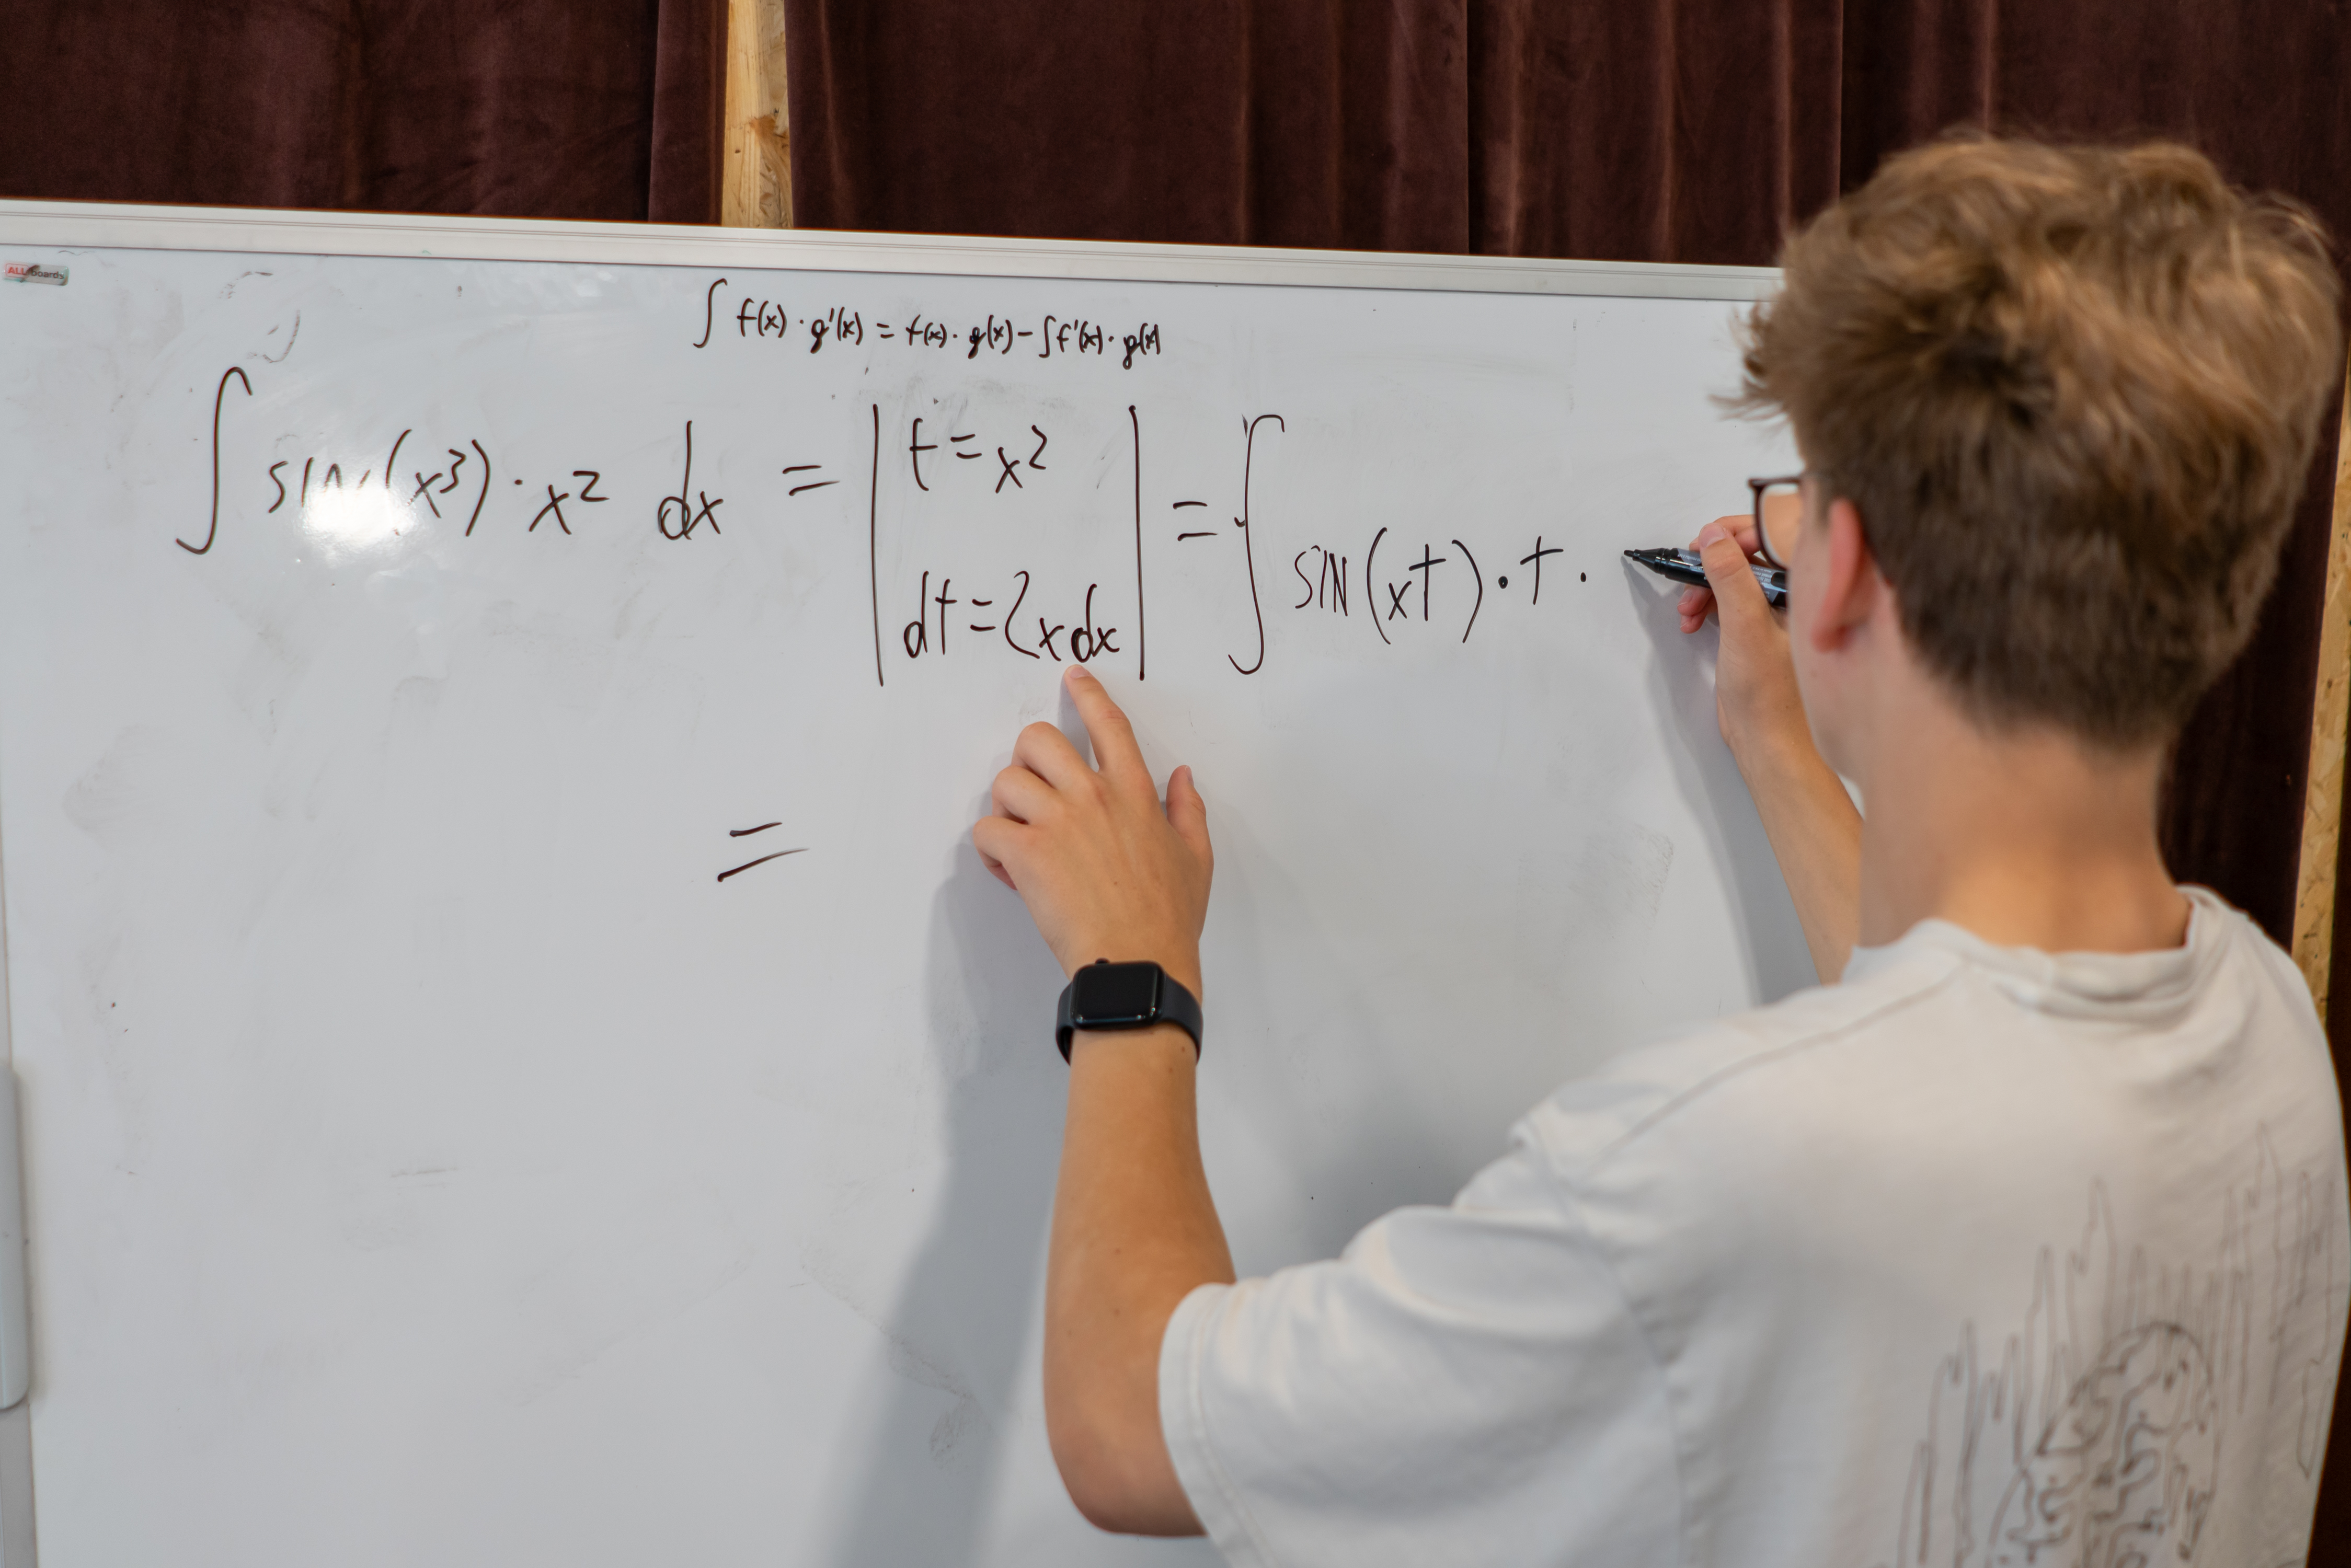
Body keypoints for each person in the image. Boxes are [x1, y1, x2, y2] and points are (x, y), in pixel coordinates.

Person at [971, 134, 2350, 1566]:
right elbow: (1967, 1049)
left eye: (1797, 495)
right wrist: (1778, 745)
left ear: (1844, 574)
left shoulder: (1712, 1169)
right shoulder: (2264, 1032)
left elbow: (1129, 1434)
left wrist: (1131, 973)